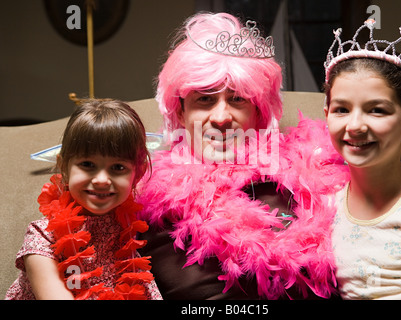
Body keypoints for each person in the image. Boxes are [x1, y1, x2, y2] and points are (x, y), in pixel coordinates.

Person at [137, 12, 349, 299]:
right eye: (205, 99)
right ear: (180, 111)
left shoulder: (309, 177)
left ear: (258, 112)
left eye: (237, 99)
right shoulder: (144, 197)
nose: (222, 117)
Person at [324, 20, 401, 299]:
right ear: (326, 115)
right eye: (342, 109)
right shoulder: (322, 210)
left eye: (377, 111)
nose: (355, 125)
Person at [5, 99, 162, 300]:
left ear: (138, 174)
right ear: (64, 168)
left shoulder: (131, 228)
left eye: (118, 168)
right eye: (87, 164)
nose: (102, 180)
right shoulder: (42, 237)